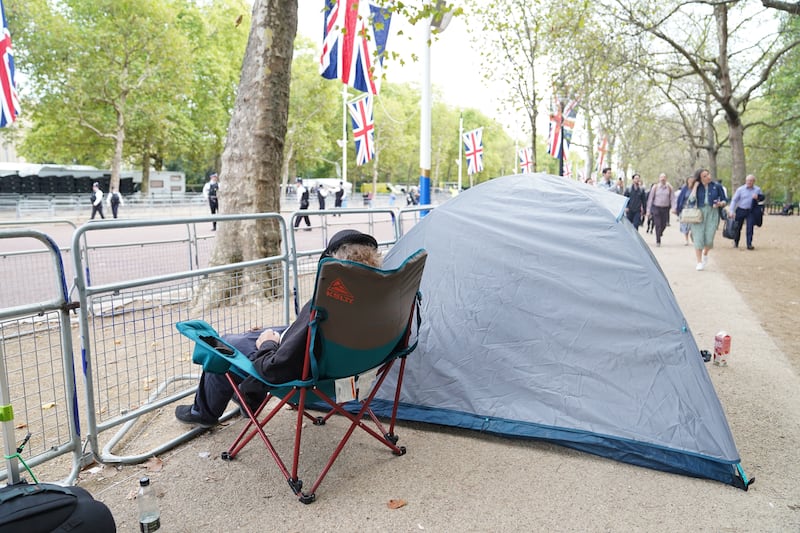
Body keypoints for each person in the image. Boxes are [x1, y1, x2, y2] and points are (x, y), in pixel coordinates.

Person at [175, 230, 382, 427]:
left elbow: (272, 369)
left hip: (306, 377)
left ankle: (204, 411)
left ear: (334, 264)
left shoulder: (324, 304)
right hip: (349, 373)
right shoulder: (377, 304)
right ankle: (249, 397)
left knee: (226, 345)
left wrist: (267, 343)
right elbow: (306, 333)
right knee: (255, 335)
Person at [689, 168, 727, 271]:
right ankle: (699, 262)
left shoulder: (717, 186)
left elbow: (724, 199)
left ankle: (705, 252)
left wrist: (720, 204)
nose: (708, 177)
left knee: (709, 239)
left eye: (708, 174)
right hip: (699, 214)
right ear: (700, 178)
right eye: (705, 176)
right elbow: (691, 201)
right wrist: (695, 187)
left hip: (712, 213)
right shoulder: (697, 187)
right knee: (698, 238)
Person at [728, 174, 764, 250]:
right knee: (738, 227)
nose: (749, 182)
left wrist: (758, 198)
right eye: (748, 180)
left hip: (751, 211)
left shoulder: (757, 189)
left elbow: (761, 199)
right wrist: (731, 210)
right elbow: (734, 200)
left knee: (750, 228)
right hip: (741, 209)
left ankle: (749, 244)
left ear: (754, 181)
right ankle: (736, 241)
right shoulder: (740, 189)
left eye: (751, 181)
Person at [646, 173, 675, 247]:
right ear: (659, 179)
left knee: (664, 224)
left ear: (666, 179)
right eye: (661, 178)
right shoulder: (655, 188)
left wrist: (674, 208)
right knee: (657, 224)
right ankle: (658, 240)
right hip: (656, 208)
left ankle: (660, 232)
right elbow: (650, 199)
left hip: (665, 208)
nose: (663, 179)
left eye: (664, 178)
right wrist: (648, 210)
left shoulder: (669, 188)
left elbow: (672, 198)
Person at [674, 175, 697, 246]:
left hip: (694, 208)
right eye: (689, 180)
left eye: (692, 181)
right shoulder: (684, 189)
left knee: (693, 224)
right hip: (685, 209)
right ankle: (686, 240)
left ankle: (692, 235)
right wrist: (677, 209)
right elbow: (680, 199)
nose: (690, 182)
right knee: (685, 225)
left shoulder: (696, 189)